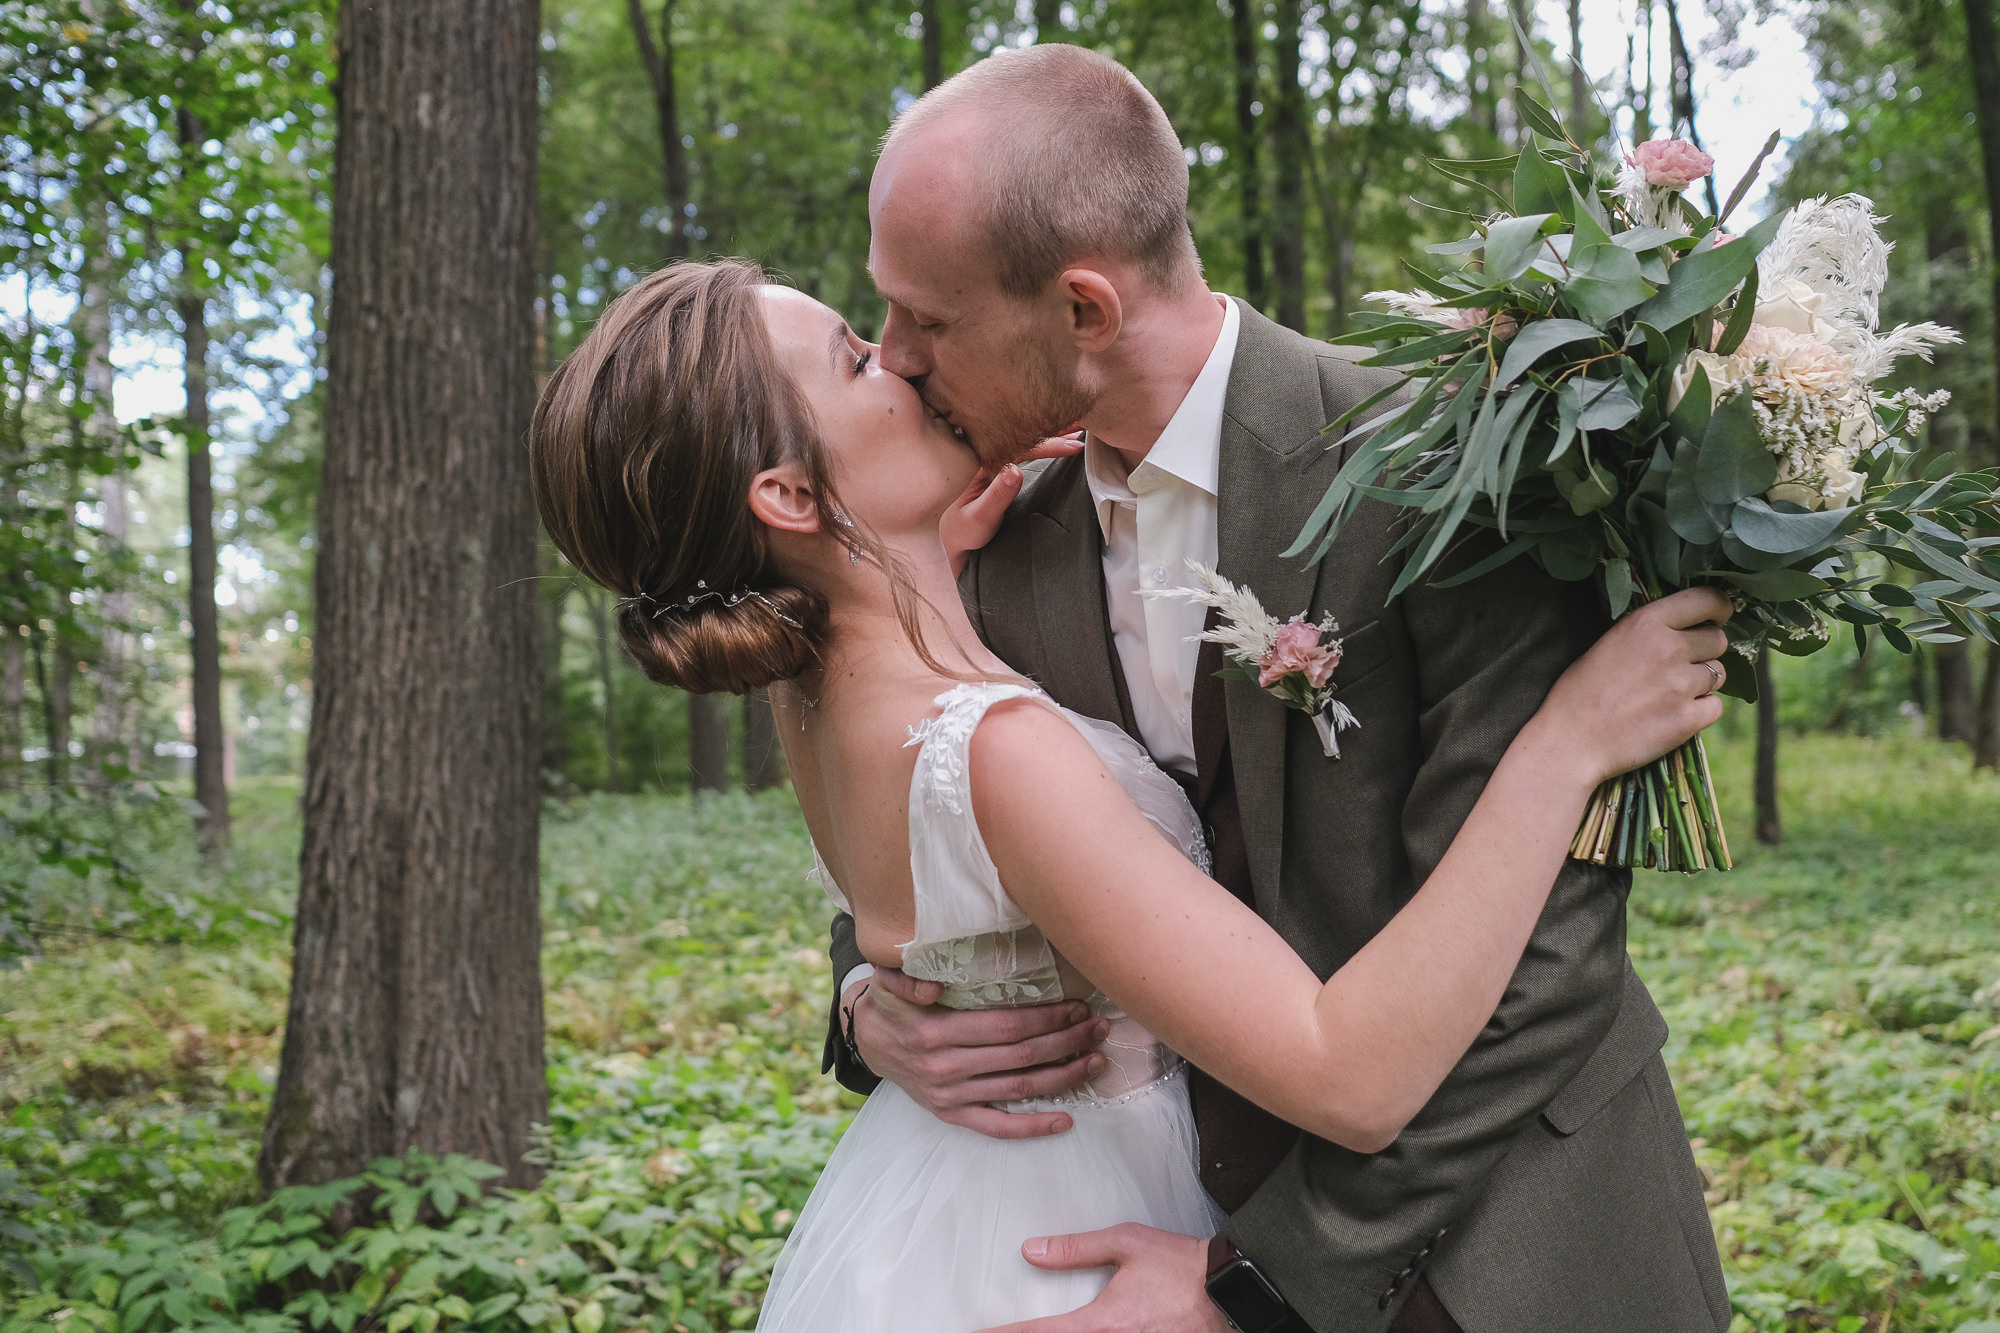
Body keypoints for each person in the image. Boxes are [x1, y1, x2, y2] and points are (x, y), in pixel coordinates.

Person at [528, 257, 1733, 1330]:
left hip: (959, 1224)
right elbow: (1348, 1075)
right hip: (1095, 1247)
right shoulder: (996, 744)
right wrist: (1563, 748)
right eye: (854, 358)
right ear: (788, 498)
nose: (895, 358)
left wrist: (871, 990)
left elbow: (925, 892)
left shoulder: (808, 686)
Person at [823, 43, 1732, 1333]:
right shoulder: (990, 541)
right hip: (1157, 1222)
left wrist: (1257, 1283)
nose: (901, 359)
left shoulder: (1447, 472)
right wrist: (871, 1011)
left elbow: (1547, 966)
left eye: (931, 317)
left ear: (1082, 310)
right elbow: (929, 825)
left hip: (1515, 1254)